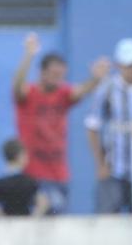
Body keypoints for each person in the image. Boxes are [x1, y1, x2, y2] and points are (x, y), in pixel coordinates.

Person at [13, 33, 110, 215]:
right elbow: (17, 86)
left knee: (57, 225)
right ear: (42, 73)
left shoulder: (62, 93)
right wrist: (28, 55)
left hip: (58, 174)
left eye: (62, 75)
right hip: (32, 173)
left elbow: (80, 91)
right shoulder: (29, 94)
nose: (59, 80)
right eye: (54, 75)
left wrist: (96, 79)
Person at [86, 38, 132, 213]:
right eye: (129, 65)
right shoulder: (107, 89)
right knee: (107, 221)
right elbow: (92, 126)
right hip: (114, 168)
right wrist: (100, 164)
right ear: (119, 65)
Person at [0, 138, 49, 216]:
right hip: (25, 224)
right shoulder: (29, 181)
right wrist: (32, 220)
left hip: (7, 225)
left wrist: (4, 221)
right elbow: (43, 203)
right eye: (25, 154)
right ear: (19, 156)